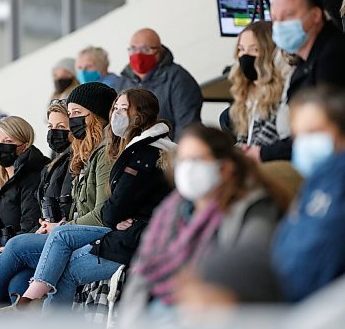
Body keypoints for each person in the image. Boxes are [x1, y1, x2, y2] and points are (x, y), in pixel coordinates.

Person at [14, 88, 177, 309]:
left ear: (140, 114)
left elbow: (113, 207)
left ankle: (29, 302)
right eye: (115, 108)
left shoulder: (143, 154)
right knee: (27, 250)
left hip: (137, 239)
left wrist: (119, 216)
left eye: (124, 109)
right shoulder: (130, 148)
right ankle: (28, 301)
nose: (117, 114)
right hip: (126, 232)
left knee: (56, 252)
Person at [118, 125, 290, 328]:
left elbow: (252, 258)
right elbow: (143, 270)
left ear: (225, 167)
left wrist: (200, 279)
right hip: (154, 313)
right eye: (183, 160)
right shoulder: (171, 209)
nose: (188, 168)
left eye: (197, 160)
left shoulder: (253, 206)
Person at [0, 82, 116, 305]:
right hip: (67, 233)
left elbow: (101, 213)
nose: (57, 131)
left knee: (17, 247)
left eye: (74, 115)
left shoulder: (102, 155)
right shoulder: (80, 157)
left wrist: (60, 226)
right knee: (19, 281)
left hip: (85, 238)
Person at [272, 87, 345, 302]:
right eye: (299, 136)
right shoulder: (313, 185)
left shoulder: (337, 181)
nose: (305, 143)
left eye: (314, 132)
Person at [0, 116, 49, 273]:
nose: (0, 147)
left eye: (7, 142)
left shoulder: (35, 174)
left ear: (24, 145)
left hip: (25, 251)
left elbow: (28, 227)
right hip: (2, 250)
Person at [116, 28, 203, 140]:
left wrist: (174, 156)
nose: (138, 54)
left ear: (159, 51)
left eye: (145, 49)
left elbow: (187, 127)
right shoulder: (122, 82)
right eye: (133, 49)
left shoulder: (178, 79)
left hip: (167, 151)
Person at [227, 21, 291, 162]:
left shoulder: (283, 90)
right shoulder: (247, 93)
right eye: (241, 49)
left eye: (254, 50)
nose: (245, 55)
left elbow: (264, 142)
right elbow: (245, 140)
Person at [271, 0, 345, 100]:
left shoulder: (332, 59)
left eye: (288, 15)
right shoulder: (307, 61)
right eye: (274, 19)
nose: (279, 25)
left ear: (315, 15)